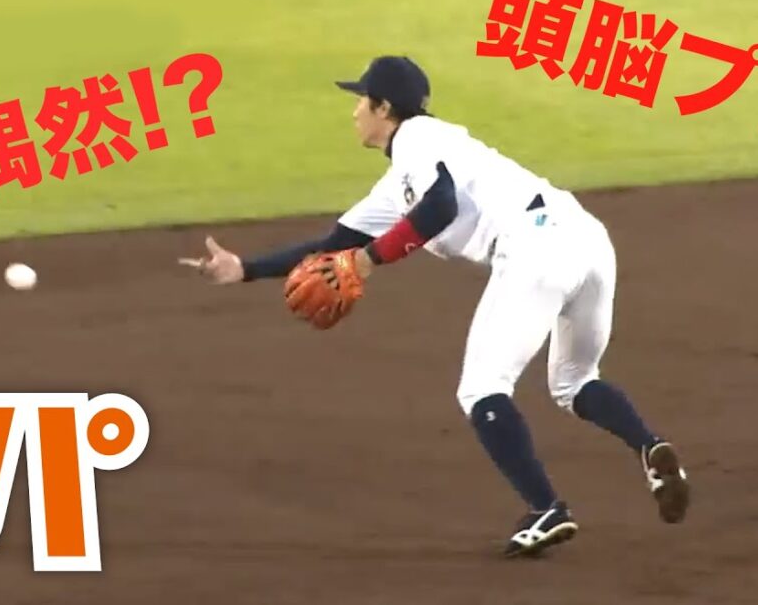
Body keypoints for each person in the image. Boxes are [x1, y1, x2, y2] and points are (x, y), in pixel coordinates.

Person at [180, 55, 690, 557]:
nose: (355, 111)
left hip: (535, 247)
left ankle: (546, 509)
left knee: (481, 388)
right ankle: (650, 448)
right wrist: (244, 268)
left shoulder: (418, 138)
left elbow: (440, 205)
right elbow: (335, 244)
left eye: (362, 100)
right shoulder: (404, 177)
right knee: (574, 381)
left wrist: (371, 260)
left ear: (384, 108)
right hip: (587, 239)